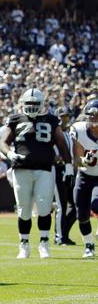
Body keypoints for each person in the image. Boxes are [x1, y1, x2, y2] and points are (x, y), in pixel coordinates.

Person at [0, 88, 72, 259]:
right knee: (23, 209)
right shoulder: (15, 119)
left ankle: (44, 243)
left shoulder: (52, 120)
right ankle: (24, 245)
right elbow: (3, 142)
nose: (31, 107)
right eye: (29, 104)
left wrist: (68, 164)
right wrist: (9, 153)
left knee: (44, 207)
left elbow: (62, 144)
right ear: (23, 104)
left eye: (34, 104)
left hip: (45, 169)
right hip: (21, 169)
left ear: (41, 104)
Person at [69, 99, 98, 259]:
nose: (93, 118)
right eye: (91, 115)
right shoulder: (79, 130)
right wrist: (84, 160)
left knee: (96, 205)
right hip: (85, 175)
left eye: (97, 115)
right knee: (81, 213)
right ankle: (89, 245)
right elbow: (75, 160)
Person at [53, 107, 76, 245]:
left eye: (67, 116)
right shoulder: (53, 133)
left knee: (77, 206)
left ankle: (64, 233)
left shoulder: (69, 134)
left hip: (71, 171)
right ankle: (59, 237)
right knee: (62, 205)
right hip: (59, 170)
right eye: (62, 116)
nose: (65, 119)